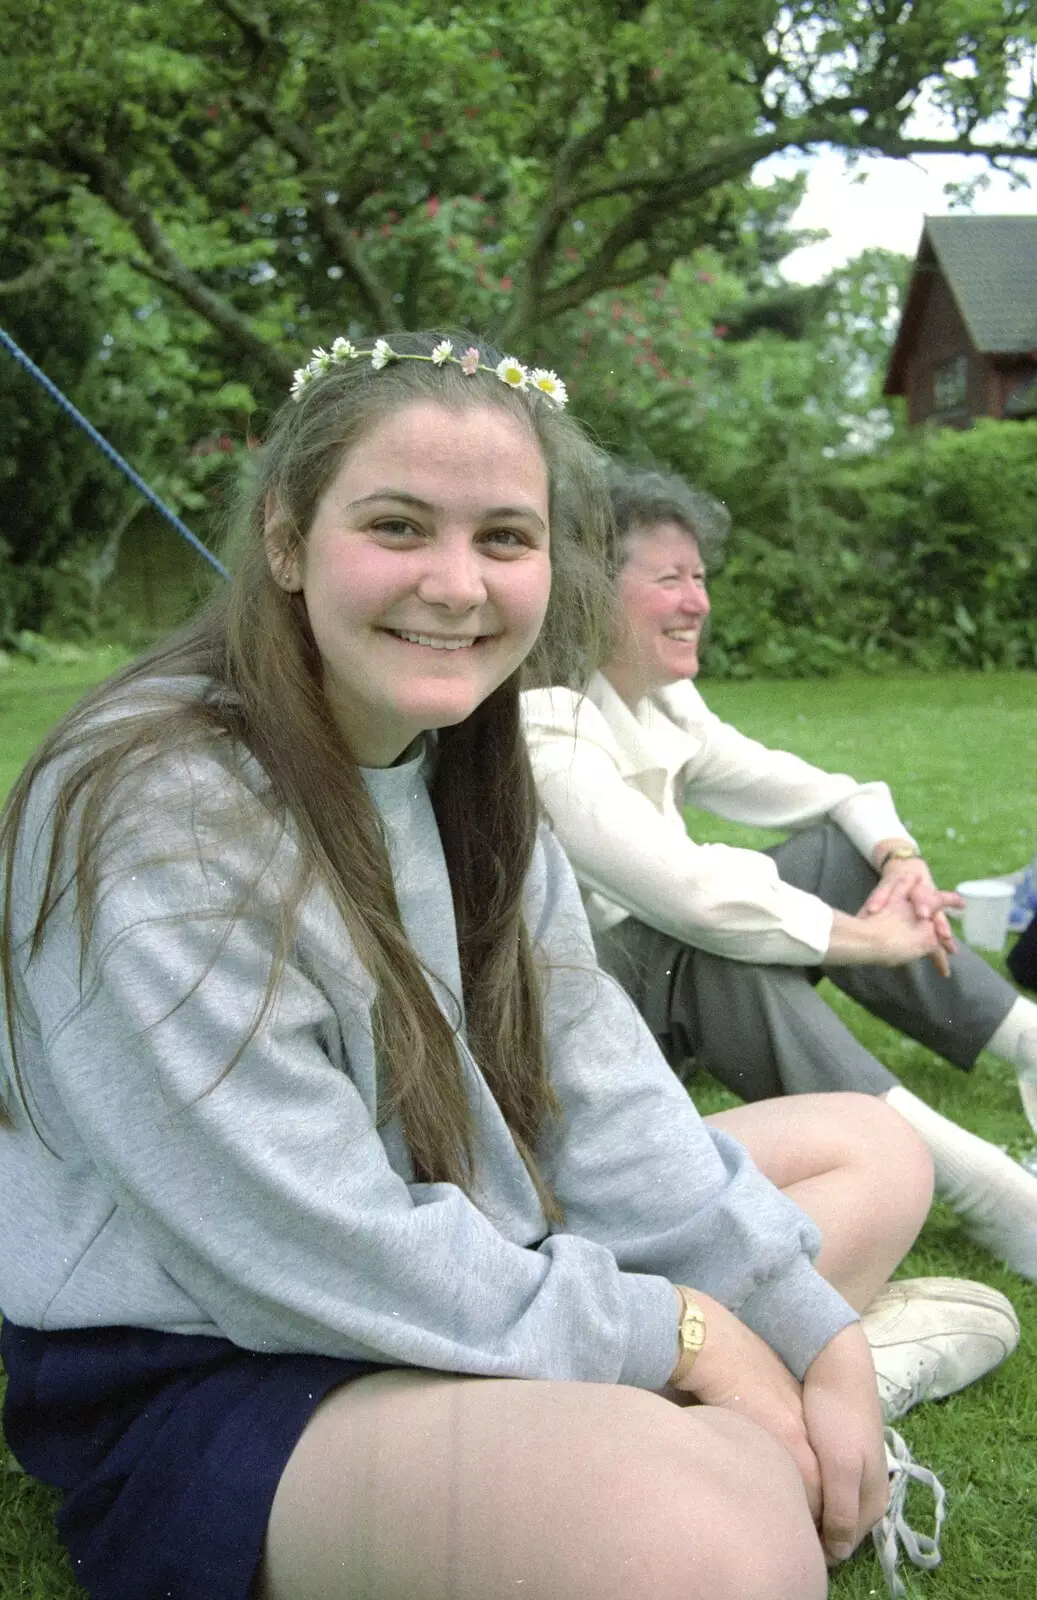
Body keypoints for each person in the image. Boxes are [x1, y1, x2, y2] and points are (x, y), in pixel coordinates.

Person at [0, 332, 966, 1600]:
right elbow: (299, 1240)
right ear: (286, 539)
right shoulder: (157, 802)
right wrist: (680, 1331)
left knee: (874, 1153)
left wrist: (810, 1333)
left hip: (473, 1230)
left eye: (504, 538)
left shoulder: (469, 763)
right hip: (232, 1344)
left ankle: (732, 1409)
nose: (454, 585)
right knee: (715, 1548)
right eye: (397, 526)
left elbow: (604, 1093)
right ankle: (692, 1443)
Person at [522, 461, 1037, 1288]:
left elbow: (837, 795)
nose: (698, 601)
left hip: (658, 990)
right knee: (710, 948)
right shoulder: (541, 719)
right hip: (570, 1039)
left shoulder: (661, 702)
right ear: (586, 589)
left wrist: (897, 860)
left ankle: (1027, 1043)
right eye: (669, 579)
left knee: (837, 852)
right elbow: (690, 897)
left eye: (699, 577)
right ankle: (986, 1187)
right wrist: (867, 940)